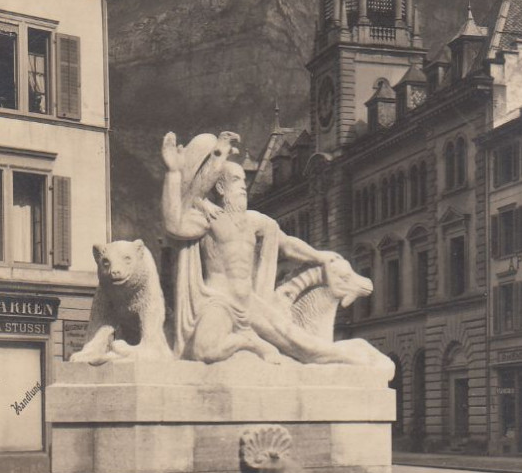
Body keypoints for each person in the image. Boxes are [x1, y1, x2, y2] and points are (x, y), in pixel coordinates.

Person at [162, 132, 380, 367]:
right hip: (219, 302)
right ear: (221, 187)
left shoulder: (255, 221)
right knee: (205, 350)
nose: (244, 187)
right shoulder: (210, 221)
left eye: (245, 181)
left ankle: (361, 357)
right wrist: (174, 173)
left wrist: (319, 256)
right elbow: (174, 222)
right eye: (237, 180)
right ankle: (251, 344)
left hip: (251, 304)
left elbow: (286, 244)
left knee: (305, 347)